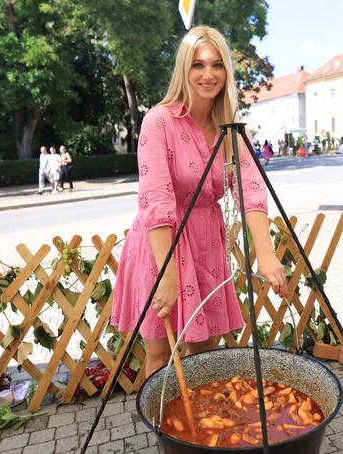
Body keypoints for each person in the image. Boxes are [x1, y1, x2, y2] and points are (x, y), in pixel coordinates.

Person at [110, 25, 287, 379]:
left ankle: (200, 433)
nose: (208, 74)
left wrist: (265, 253)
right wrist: (167, 272)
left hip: (206, 242)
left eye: (217, 65)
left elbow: (250, 190)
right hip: (163, 243)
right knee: (161, 356)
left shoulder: (233, 129)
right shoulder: (159, 121)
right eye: (198, 65)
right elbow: (155, 199)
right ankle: (165, 433)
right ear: (184, 70)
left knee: (204, 353)